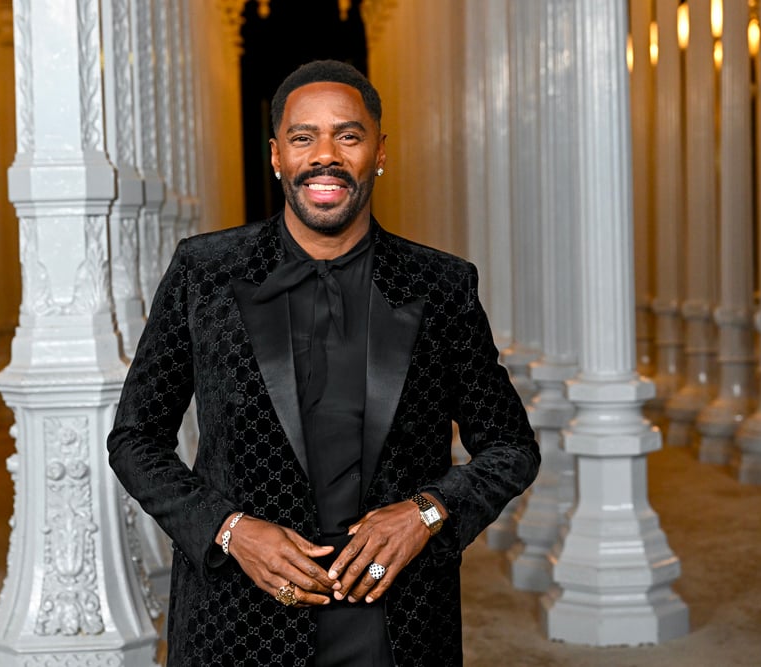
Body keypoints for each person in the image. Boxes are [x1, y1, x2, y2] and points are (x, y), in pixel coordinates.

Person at [107, 59, 540, 667]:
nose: (325, 156)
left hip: (398, 623)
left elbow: (511, 447)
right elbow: (135, 438)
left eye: (349, 135)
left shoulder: (441, 286)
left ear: (379, 152)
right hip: (237, 619)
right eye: (303, 137)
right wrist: (229, 529)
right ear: (278, 155)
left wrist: (426, 512)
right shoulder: (204, 273)